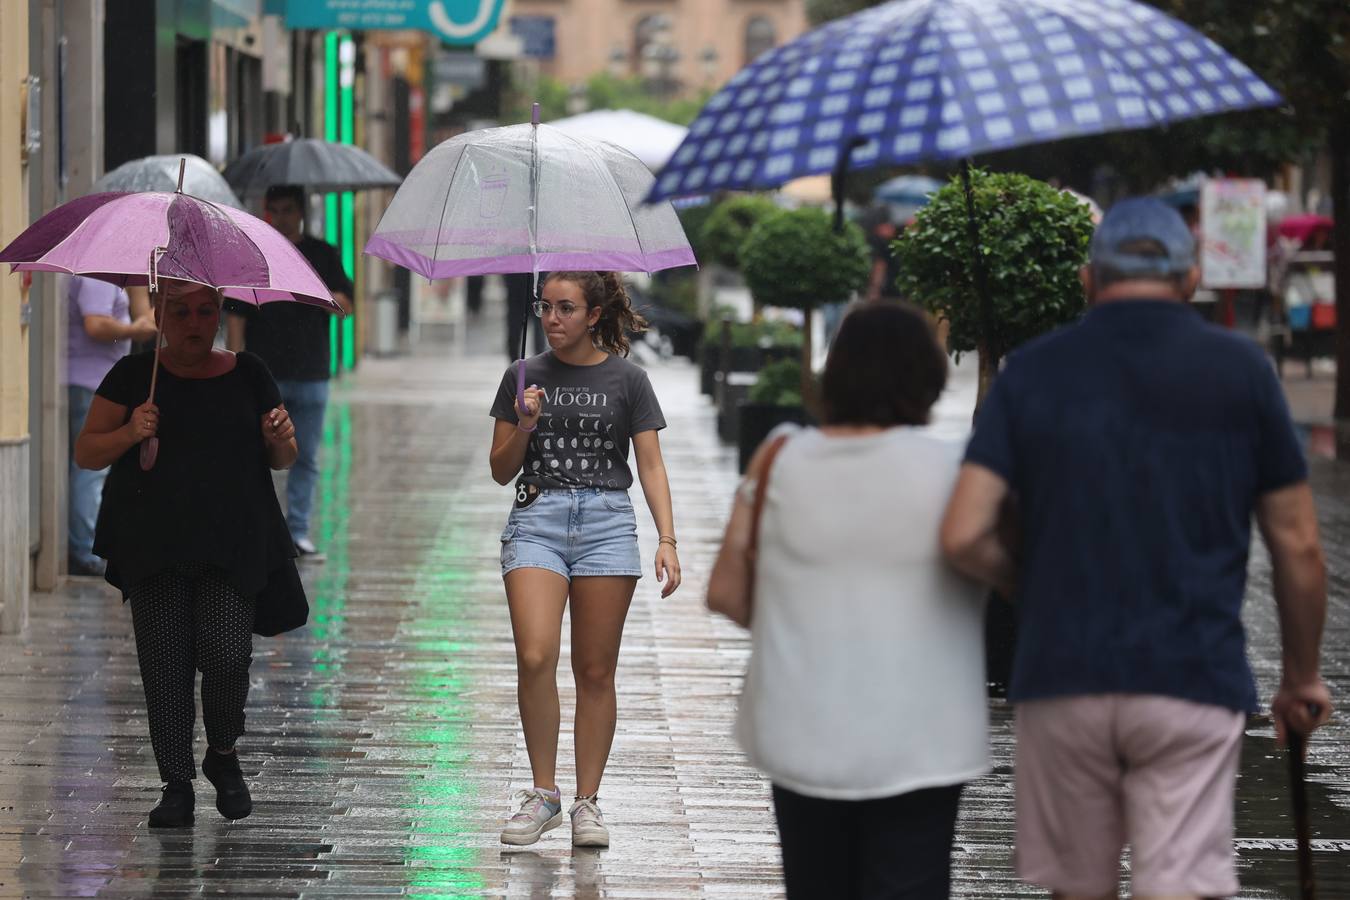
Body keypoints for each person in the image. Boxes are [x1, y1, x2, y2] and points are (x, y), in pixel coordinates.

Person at [940, 198, 1333, 899]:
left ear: (1089, 280)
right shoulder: (1242, 371)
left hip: (1063, 676)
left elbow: (964, 532)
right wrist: (1301, 676)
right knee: (1176, 885)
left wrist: (1028, 587)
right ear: (1190, 279)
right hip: (1192, 675)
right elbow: (1298, 543)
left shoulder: (1032, 372)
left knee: (1078, 887)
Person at [707, 303, 987, 899]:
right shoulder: (958, 469)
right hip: (923, 738)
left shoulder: (779, 456)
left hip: (803, 730)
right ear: (927, 377)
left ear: (834, 375)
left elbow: (726, 592)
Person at [75, 279, 301, 828]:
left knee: (228, 656)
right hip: (154, 544)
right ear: (158, 313)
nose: (194, 323)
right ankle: (175, 785)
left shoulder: (249, 373)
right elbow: (86, 452)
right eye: (180, 312)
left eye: (205, 311)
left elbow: (284, 457)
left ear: (219, 312)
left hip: (233, 544)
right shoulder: (134, 376)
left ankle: (222, 752)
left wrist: (279, 435)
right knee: (165, 667)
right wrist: (131, 431)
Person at [488, 271, 681, 848]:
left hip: (606, 524)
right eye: (545, 307)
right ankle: (543, 794)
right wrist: (525, 424)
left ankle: (586, 802)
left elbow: (650, 464)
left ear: (594, 315)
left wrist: (667, 538)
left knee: (595, 671)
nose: (553, 319)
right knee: (535, 653)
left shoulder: (629, 379)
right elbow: (500, 470)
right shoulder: (521, 375)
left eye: (566, 308)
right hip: (537, 520)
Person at [226, 184, 352, 559]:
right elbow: (236, 317)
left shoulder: (322, 254)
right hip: (265, 374)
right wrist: (236, 366)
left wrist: (315, 292)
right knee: (256, 455)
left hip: (312, 372)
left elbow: (345, 306)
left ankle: (297, 531)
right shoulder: (253, 253)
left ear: (301, 212)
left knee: (306, 456)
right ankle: (259, 531)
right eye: (275, 210)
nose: (281, 218)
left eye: (288, 210)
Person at [66, 276, 157, 576]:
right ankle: (83, 551)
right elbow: (95, 324)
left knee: (82, 472)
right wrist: (134, 330)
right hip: (91, 383)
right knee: (89, 472)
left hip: (85, 379)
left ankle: (80, 545)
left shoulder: (113, 281)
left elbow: (144, 313)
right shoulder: (99, 279)